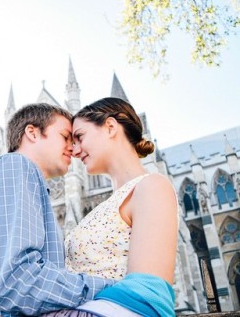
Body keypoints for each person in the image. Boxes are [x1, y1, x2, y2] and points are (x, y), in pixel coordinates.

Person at [0, 103, 116, 317]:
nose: (74, 149)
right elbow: (15, 282)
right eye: (65, 137)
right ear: (32, 133)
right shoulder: (14, 168)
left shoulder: (25, 180)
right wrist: (113, 289)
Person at [43, 97, 178, 317]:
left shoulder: (152, 186)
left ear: (110, 127)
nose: (74, 151)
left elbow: (148, 297)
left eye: (79, 137)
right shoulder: (101, 209)